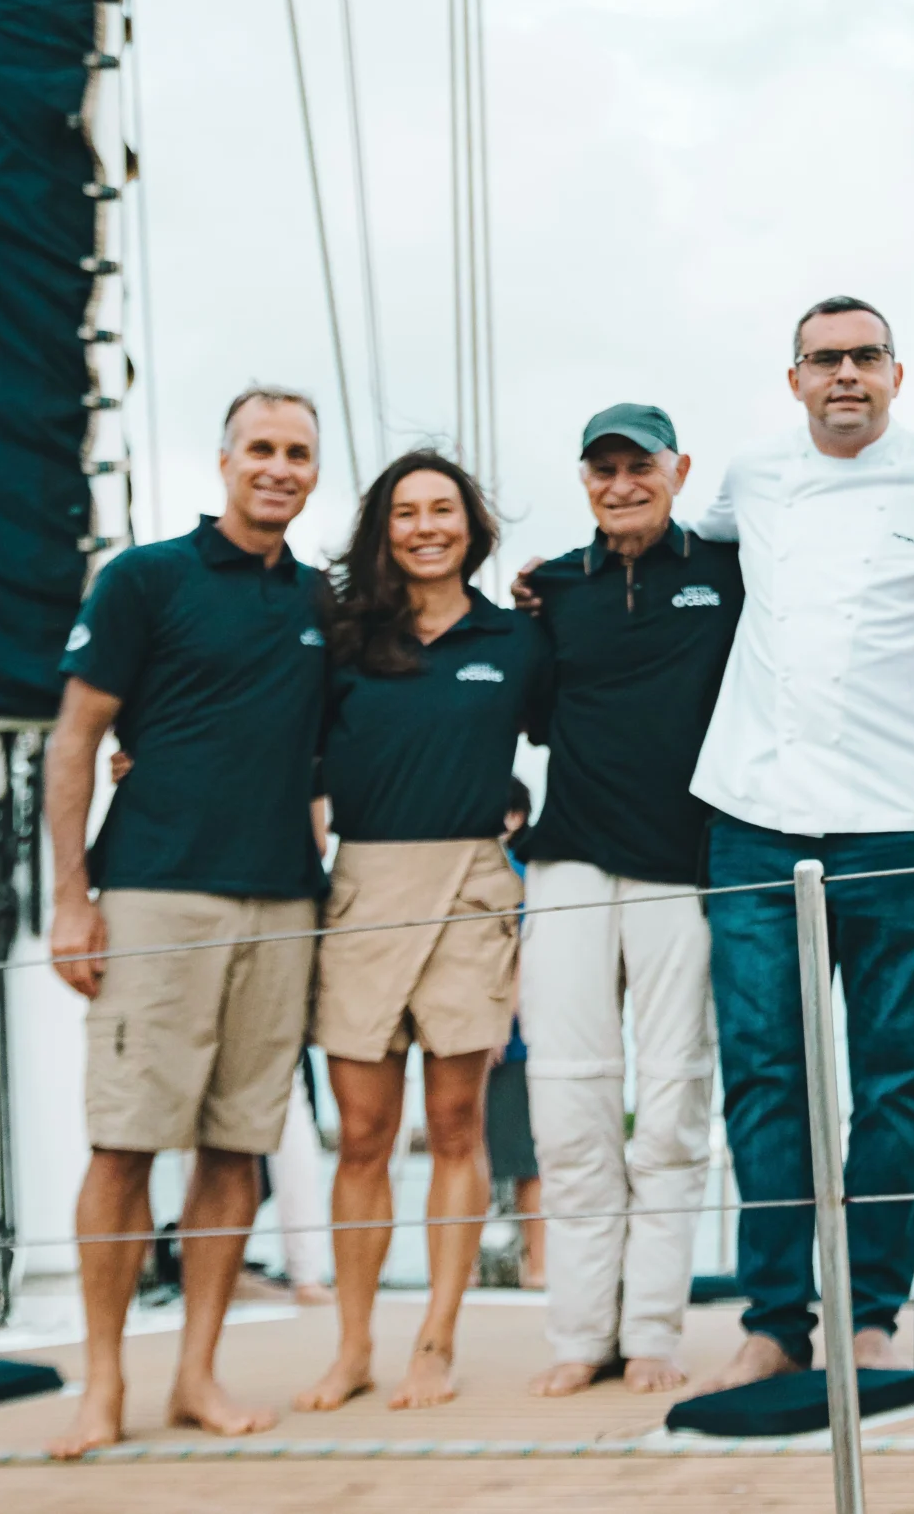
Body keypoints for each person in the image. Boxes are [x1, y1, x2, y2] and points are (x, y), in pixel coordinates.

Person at [689, 297, 914, 1390]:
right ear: (794, 381)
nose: (845, 376)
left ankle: (871, 1314)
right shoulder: (753, 475)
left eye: (865, 357)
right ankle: (775, 1317)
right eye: (824, 360)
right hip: (753, 817)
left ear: (897, 374)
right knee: (765, 1076)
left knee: (896, 1080)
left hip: (903, 815)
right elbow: (681, 553)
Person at [43, 388, 333, 1458]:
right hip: (156, 893)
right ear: (224, 461)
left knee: (236, 1149)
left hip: (283, 897)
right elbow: (75, 739)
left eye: (298, 453)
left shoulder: (321, 600)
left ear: (313, 471)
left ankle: (196, 1377)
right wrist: (71, 900)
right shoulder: (143, 579)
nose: (278, 467)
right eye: (260, 448)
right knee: (122, 1143)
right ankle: (103, 1384)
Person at [295, 449, 547, 1414]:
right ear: (383, 528)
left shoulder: (517, 639)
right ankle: (354, 1344)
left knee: (455, 1124)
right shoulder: (344, 634)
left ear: (472, 526)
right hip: (362, 885)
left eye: (444, 509)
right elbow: (278, 733)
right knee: (362, 1134)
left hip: (472, 888)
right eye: (407, 512)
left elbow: (588, 719)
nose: (427, 526)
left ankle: (435, 1339)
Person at [514, 404, 741, 1397]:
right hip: (567, 867)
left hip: (679, 871)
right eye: (601, 469)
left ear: (677, 468)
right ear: (584, 480)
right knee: (568, 1105)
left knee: (675, 1107)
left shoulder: (727, 573)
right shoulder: (554, 588)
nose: (620, 484)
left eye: (637, 465)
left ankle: (651, 1329)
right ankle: (578, 1333)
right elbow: (519, 713)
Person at [485, 778, 543, 1291]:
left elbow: (524, 955)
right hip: (475, 1034)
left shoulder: (521, 877)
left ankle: (538, 1265)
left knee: (524, 1159)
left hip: (510, 1039)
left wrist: (503, 1020)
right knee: (474, 1156)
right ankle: (465, 1269)